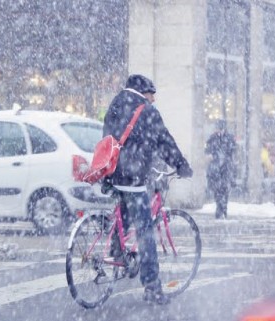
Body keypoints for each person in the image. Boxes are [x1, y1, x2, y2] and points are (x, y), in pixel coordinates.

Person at [102, 74, 193, 305]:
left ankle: (116, 249)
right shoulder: (146, 110)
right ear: (145, 92)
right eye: (153, 95)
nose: (153, 100)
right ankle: (152, 286)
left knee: (124, 211)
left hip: (113, 174)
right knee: (146, 233)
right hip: (132, 178)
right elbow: (164, 142)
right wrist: (181, 165)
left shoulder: (116, 102)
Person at [205, 120, 236, 219]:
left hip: (225, 168)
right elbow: (207, 150)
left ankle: (223, 208)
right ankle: (220, 208)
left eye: (219, 128)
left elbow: (232, 151)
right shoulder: (212, 138)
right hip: (215, 168)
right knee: (217, 190)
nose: (217, 130)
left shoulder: (229, 138)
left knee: (224, 189)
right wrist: (211, 155)